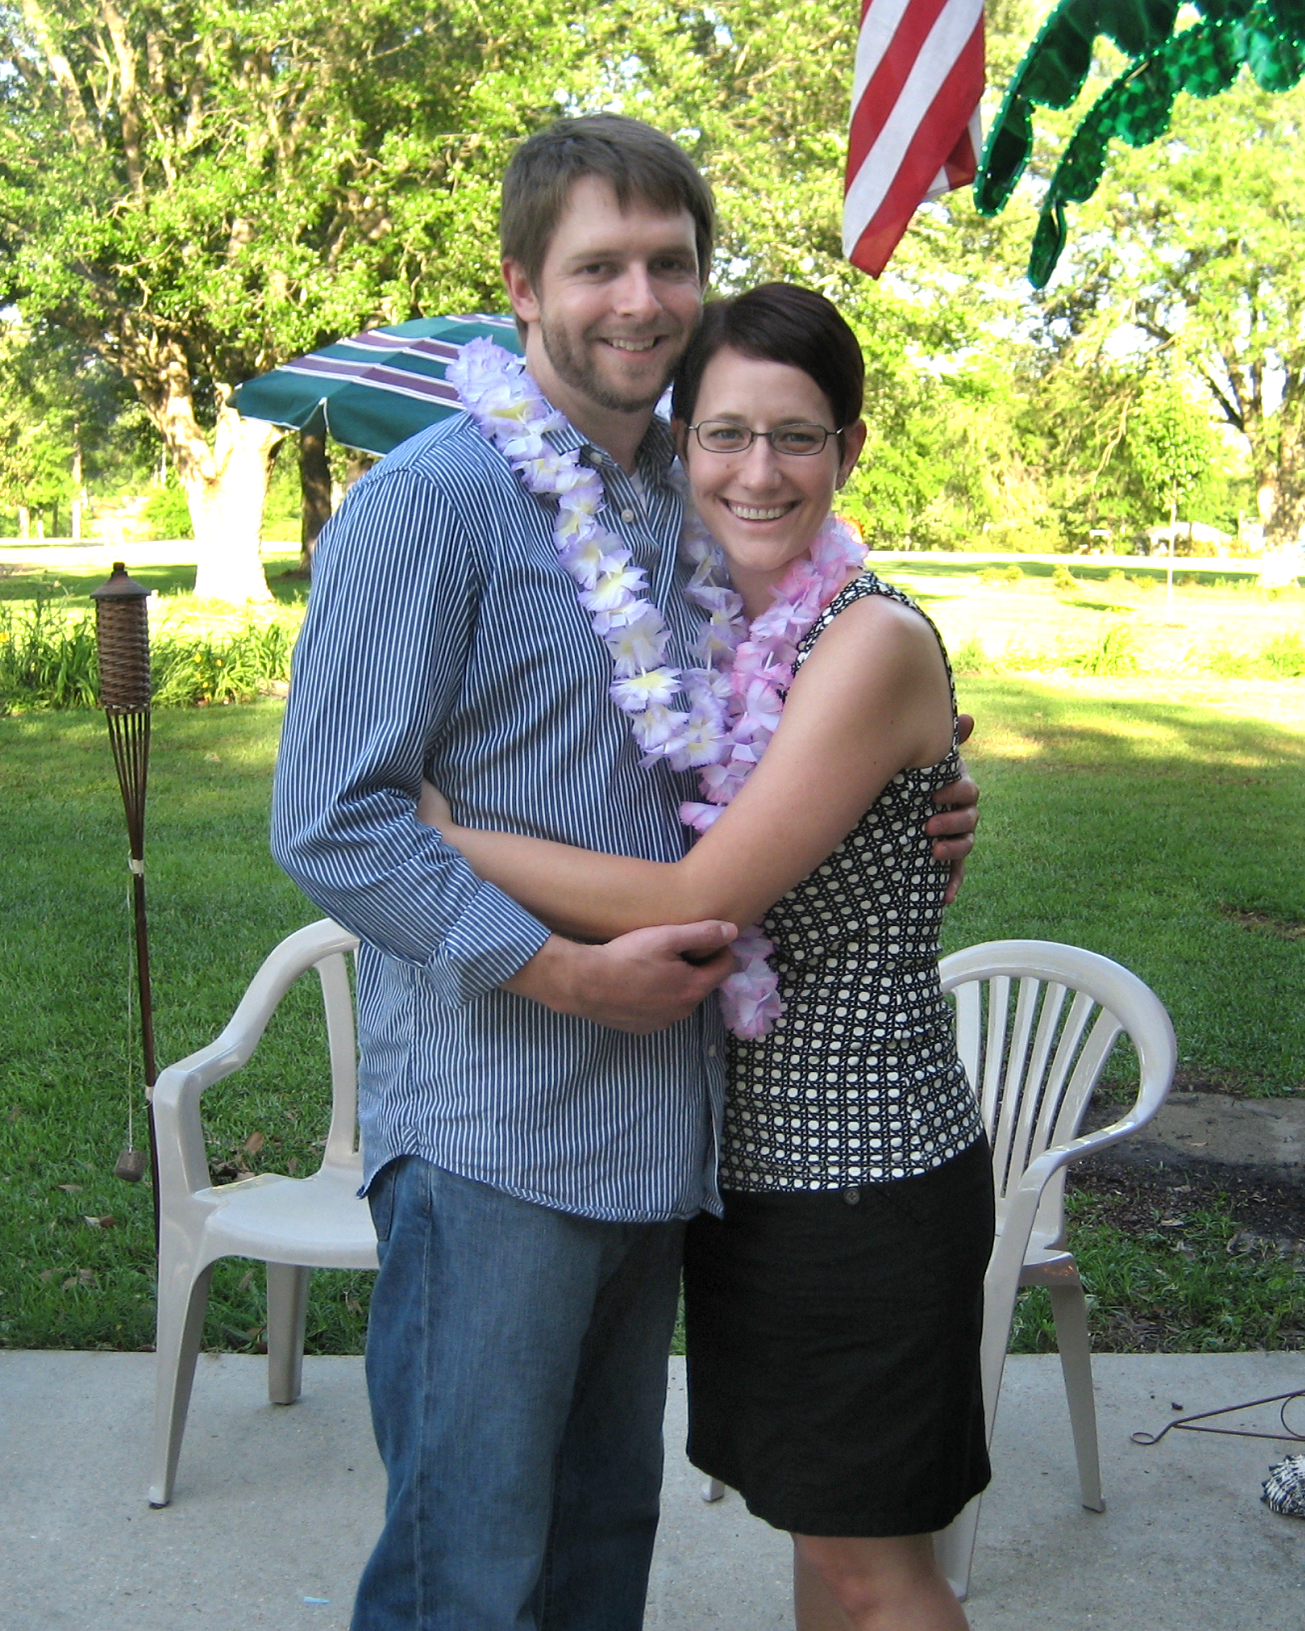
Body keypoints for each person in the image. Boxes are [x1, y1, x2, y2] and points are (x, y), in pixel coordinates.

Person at [271, 115, 979, 1631]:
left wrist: (918, 788)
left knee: (600, 1555)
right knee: (468, 1574)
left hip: (670, 1138)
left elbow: (796, 704)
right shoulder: (427, 505)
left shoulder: (696, 479)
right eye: (599, 265)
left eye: (670, 262)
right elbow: (330, 818)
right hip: (495, 1132)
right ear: (523, 286)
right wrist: (558, 972)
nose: (640, 299)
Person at [420, 283, 992, 1631]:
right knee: (825, 1556)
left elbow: (698, 893)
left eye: (796, 437)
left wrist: (447, 835)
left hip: (863, 1176)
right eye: (725, 433)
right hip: (758, 1178)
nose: (757, 470)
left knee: (875, 1575)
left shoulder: (866, 640)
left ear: (850, 451)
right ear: (682, 444)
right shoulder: (719, 631)